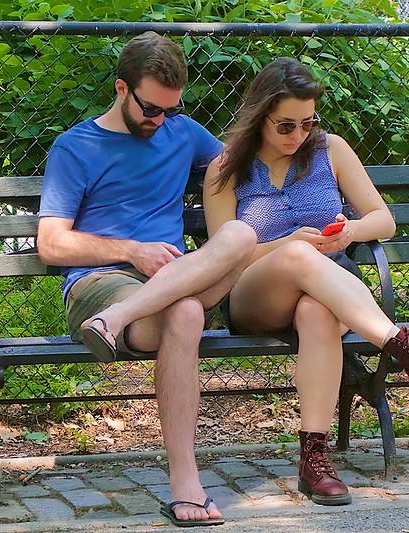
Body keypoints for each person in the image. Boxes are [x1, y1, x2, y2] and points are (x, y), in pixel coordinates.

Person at [202, 57, 409, 506]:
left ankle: (314, 460)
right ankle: (407, 348)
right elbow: (220, 258)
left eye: (308, 123)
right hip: (255, 292)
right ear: (259, 116)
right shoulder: (226, 168)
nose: (299, 135)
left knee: (317, 312)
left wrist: (350, 232)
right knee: (295, 253)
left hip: (329, 291)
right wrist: (285, 243)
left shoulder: (331, 150)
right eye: (286, 125)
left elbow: (382, 221)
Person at [37, 31, 256, 527]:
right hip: (101, 282)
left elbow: (239, 166)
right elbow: (51, 243)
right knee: (184, 309)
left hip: (167, 283)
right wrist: (132, 250)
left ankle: (113, 322)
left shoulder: (180, 130)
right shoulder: (76, 146)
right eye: (152, 109)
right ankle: (188, 486)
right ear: (121, 89)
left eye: (171, 110)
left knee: (241, 234)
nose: (160, 121)